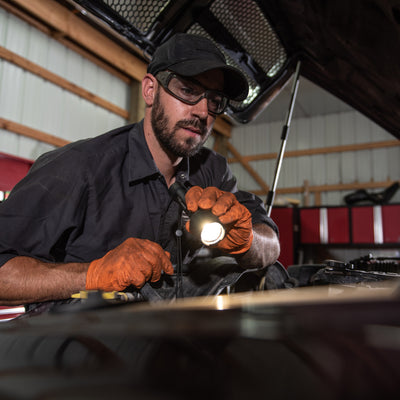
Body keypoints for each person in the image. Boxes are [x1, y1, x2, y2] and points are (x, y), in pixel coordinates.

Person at [0, 33, 280, 309]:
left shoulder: (214, 171)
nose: (203, 112)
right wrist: (92, 274)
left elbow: (271, 245)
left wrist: (248, 241)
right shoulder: (77, 168)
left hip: (173, 344)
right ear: (150, 90)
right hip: (77, 348)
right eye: (188, 90)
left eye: (214, 100)